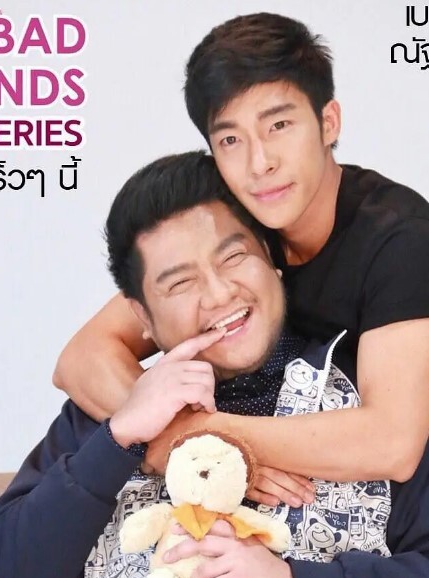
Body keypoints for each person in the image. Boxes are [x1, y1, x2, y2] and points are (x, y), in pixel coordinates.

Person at [0, 153, 428, 578]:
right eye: (180, 283)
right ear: (142, 318)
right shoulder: (110, 411)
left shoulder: (373, 401)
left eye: (233, 257)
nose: (219, 294)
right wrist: (119, 440)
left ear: (271, 259)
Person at [53, 13, 429, 492]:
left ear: (328, 122)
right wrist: (193, 450)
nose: (259, 163)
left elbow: (392, 444)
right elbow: (81, 357)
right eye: (231, 139)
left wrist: (210, 440)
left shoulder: (400, 239)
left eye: (279, 125)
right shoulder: (239, 220)